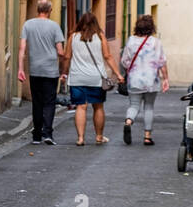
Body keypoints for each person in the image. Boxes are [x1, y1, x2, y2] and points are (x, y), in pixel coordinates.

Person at [62, 11, 123, 145]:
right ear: (95, 23)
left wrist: (64, 73)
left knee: (80, 107)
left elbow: (67, 57)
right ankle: (99, 136)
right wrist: (118, 74)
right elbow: (108, 56)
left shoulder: (73, 37)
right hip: (96, 78)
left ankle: (80, 138)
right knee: (98, 107)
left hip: (77, 78)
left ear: (81, 23)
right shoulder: (100, 37)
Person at [18, 0, 66, 145]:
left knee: (37, 102)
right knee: (49, 102)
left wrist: (21, 69)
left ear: (38, 10)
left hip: (35, 69)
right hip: (50, 70)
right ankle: (48, 133)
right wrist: (63, 65)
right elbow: (60, 51)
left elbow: (22, 49)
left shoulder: (28, 24)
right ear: (50, 10)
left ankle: (36, 135)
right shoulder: (54, 26)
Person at [120, 14, 170, 146]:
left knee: (134, 105)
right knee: (149, 107)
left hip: (134, 80)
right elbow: (162, 62)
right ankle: (147, 137)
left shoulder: (130, 41)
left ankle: (128, 121)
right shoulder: (156, 42)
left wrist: (130, 70)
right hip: (151, 81)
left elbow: (124, 61)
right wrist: (166, 79)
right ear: (151, 27)